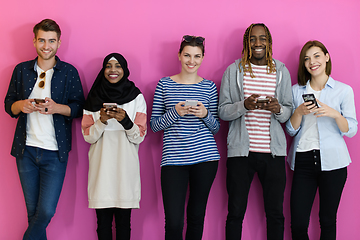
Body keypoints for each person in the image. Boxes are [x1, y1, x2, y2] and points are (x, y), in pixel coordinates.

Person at [4, 19, 85, 239]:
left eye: (51, 41)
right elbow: (8, 105)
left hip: (55, 153)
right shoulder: (21, 70)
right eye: (41, 40)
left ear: (59, 43)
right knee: (33, 214)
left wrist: (57, 108)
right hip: (26, 150)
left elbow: (80, 108)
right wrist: (22, 105)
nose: (46, 46)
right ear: (34, 41)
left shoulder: (69, 72)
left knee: (46, 211)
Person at [218, 23, 293, 240]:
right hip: (241, 154)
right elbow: (222, 111)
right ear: (246, 43)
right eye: (252, 39)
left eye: (262, 38)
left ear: (269, 42)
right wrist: (245, 105)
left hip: (273, 154)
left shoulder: (281, 71)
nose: (257, 43)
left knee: (275, 214)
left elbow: (288, 111)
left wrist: (277, 109)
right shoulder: (233, 71)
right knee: (235, 213)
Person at [286, 40, 357, 240]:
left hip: (334, 162)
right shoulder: (295, 91)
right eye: (307, 58)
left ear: (326, 57)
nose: (312, 62)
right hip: (303, 161)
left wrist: (335, 114)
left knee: (327, 221)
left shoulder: (343, 90)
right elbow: (291, 130)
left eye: (317, 56)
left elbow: (351, 130)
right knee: (298, 224)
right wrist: (299, 111)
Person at [150, 35, 220, 240]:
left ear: (203, 58)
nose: (192, 61)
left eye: (197, 56)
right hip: (173, 160)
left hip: (205, 158)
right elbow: (154, 126)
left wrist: (205, 115)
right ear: (179, 56)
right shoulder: (164, 85)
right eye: (187, 55)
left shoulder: (209, 87)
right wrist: (175, 112)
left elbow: (216, 128)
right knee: (174, 222)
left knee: (196, 218)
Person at [81, 53, 147, 240]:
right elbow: (88, 136)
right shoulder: (93, 98)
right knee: (103, 225)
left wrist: (125, 120)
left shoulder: (136, 97)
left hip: (125, 170)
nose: (113, 70)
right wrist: (101, 121)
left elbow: (139, 136)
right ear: (103, 70)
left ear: (124, 69)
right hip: (101, 170)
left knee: (124, 225)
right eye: (108, 66)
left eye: (118, 66)